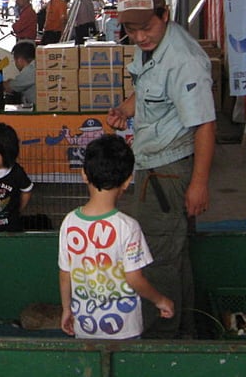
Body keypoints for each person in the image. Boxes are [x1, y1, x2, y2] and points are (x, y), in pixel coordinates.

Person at [106, 0, 215, 339]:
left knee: (155, 260)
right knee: (175, 254)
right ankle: (184, 334)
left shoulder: (184, 59)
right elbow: (151, 87)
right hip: (153, 165)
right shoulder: (155, 49)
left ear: (165, 15)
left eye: (146, 28)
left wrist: (198, 183)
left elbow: (205, 124)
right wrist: (126, 107)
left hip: (169, 170)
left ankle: (157, 343)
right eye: (132, 31)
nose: (139, 37)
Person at [58, 134, 174, 340]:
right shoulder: (128, 228)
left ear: (84, 174)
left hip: (84, 325)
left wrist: (67, 309)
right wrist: (160, 300)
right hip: (124, 329)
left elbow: (65, 273)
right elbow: (134, 279)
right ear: (128, 181)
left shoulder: (69, 222)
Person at [3, 41, 36, 106]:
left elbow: (9, 87)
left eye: (15, 61)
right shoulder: (36, 66)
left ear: (19, 60)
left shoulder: (30, 70)